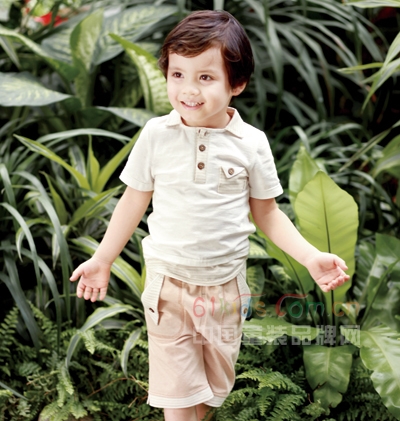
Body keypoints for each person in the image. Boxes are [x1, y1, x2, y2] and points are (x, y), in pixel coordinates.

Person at [70, 10, 349, 421]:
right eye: (177, 74)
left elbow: (268, 213)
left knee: (208, 394)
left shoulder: (251, 143)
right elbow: (133, 200)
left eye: (205, 77)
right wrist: (103, 259)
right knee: (178, 398)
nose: (188, 89)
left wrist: (310, 256)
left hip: (225, 290)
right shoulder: (156, 135)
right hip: (168, 284)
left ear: (237, 83)